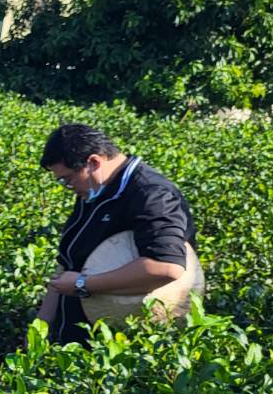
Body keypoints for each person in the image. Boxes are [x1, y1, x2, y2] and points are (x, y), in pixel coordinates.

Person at [36, 123, 199, 344]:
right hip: (75, 336)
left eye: (67, 179)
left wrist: (82, 284)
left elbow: (166, 267)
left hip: (118, 345)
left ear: (93, 163)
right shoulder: (93, 190)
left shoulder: (152, 195)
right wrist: (40, 328)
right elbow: (68, 263)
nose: (68, 186)